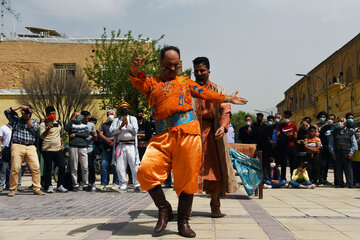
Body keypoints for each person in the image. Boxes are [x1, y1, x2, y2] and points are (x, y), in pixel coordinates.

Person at [129, 46, 247, 237]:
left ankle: (183, 221)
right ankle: (164, 208)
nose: (173, 69)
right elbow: (137, 79)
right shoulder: (152, 82)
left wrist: (227, 98)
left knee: (187, 179)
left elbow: (205, 92)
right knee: (145, 171)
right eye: (168, 66)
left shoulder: (185, 82)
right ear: (160, 64)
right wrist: (134, 69)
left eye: (176, 66)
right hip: (163, 135)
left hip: (189, 134)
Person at [192, 56, 238, 218]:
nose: (199, 73)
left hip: (213, 133)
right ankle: (186, 208)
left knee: (215, 170)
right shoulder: (188, 88)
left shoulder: (218, 89)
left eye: (202, 70)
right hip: (192, 133)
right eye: (196, 71)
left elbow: (226, 109)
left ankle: (215, 204)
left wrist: (223, 126)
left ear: (208, 71)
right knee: (189, 170)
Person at [4, 105, 45, 197]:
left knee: (36, 167)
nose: (27, 113)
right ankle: (12, 189)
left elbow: (35, 130)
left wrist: (27, 119)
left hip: (30, 146)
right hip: (17, 145)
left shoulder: (34, 121)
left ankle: (37, 188)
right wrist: (20, 107)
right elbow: (6, 111)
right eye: (25, 111)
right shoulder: (16, 120)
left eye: (29, 112)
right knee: (15, 168)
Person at [110, 102, 141, 193]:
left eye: (126, 108)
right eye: (122, 108)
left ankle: (136, 184)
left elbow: (135, 130)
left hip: (131, 146)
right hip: (120, 145)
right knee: (120, 166)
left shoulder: (133, 118)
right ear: (120, 110)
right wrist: (120, 127)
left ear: (128, 109)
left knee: (134, 165)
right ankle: (123, 184)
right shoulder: (116, 120)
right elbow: (112, 132)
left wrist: (128, 124)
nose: (124, 109)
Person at [40, 106, 67, 193]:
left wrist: (62, 144)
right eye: (50, 114)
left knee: (62, 167)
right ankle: (49, 186)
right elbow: (42, 136)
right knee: (48, 169)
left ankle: (60, 185)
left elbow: (62, 135)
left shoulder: (59, 124)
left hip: (58, 149)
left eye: (53, 113)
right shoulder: (43, 124)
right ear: (47, 115)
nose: (52, 115)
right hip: (47, 149)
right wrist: (48, 128)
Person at [329, 117, 358, 188]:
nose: (340, 123)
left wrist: (351, 152)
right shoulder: (334, 133)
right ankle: (339, 183)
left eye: (341, 121)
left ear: (345, 123)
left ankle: (350, 183)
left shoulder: (350, 132)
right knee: (338, 169)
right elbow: (331, 144)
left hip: (347, 152)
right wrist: (332, 153)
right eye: (339, 121)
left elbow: (354, 144)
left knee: (348, 169)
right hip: (337, 153)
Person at [65, 112, 89, 191]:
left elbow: (86, 134)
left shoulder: (85, 125)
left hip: (83, 147)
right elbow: (66, 128)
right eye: (76, 115)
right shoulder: (72, 125)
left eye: (79, 115)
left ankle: (85, 183)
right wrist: (72, 120)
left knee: (85, 167)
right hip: (73, 147)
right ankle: (75, 184)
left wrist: (76, 134)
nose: (78, 117)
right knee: (74, 167)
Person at [99, 109, 120, 191]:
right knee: (104, 165)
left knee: (115, 166)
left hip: (115, 147)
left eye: (111, 114)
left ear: (115, 115)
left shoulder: (118, 124)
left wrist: (112, 139)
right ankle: (103, 184)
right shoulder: (104, 125)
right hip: (105, 148)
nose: (109, 116)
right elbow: (101, 133)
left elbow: (119, 133)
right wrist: (107, 139)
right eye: (108, 114)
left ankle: (116, 183)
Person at [277, 110, 298, 180]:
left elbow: (296, 136)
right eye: (285, 117)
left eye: (288, 117)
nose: (286, 118)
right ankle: (283, 178)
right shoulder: (280, 125)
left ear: (290, 117)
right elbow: (277, 135)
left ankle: (293, 178)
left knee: (293, 164)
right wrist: (285, 135)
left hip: (292, 146)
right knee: (283, 164)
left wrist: (292, 135)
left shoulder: (294, 125)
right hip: (284, 147)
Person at [82, 111, 97, 191]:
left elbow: (95, 137)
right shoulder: (79, 125)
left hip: (89, 149)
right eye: (85, 118)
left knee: (90, 166)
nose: (87, 120)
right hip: (81, 148)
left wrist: (93, 135)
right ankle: (83, 182)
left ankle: (92, 182)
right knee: (83, 167)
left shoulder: (91, 125)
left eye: (88, 118)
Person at [318, 114, 336, 185]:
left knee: (336, 166)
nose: (330, 120)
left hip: (334, 150)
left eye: (332, 119)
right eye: (329, 118)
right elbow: (320, 137)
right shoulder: (324, 128)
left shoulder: (336, 128)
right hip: (325, 149)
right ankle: (322, 179)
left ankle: (337, 180)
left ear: (334, 120)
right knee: (324, 165)